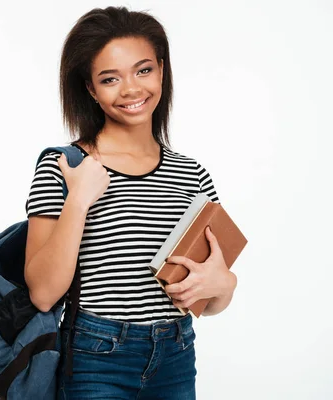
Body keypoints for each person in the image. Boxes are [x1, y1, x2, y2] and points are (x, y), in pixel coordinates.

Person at [23, 6, 238, 400]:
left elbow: (207, 300)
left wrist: (225, 285)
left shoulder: (192, 175)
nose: (131, 89)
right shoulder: (66, 166)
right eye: (110, 78)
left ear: (161, 69)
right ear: (90, 88)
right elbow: (43, 292)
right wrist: (79, 200)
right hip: (97, 356)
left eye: (143, 70)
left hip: (176, 354)